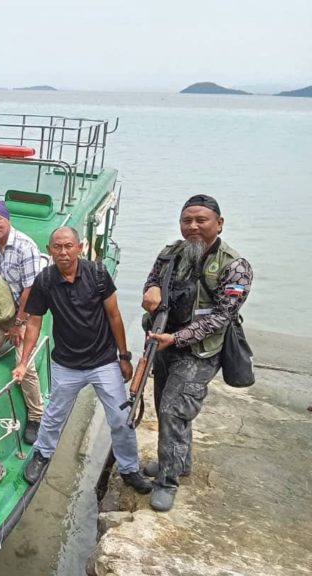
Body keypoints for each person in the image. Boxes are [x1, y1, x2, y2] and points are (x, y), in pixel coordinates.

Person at [14, 227, 152, 494]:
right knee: (53, 416)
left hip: (103, 361)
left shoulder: (98, 274)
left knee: (121, 418)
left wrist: (123, 357)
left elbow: (114, 316)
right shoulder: (44, 281)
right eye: (57, 247)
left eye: (68, 246)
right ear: (49, 249)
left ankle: (129, 468)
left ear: (79, 247)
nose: (63, 252)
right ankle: (42, 454)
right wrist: (23, 362)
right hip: (66, 363)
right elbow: (33, 324)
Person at [142, 194, 253, 512]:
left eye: (200, 220)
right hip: (163, 342)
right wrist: (149, 292)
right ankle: (179, 461)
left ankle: (167, 481)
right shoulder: (169, 254)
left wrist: (176, 338)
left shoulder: (236, 267)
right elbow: (152, 281)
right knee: (170, 405)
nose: (192, 226)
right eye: (186, 220)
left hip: (201, 351)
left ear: (219, 223)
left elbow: (223, 316)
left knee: (172, 411)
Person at [0, 201, 43, 444]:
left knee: (26, 366)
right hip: (1, 312)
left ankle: (36, 416)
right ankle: (9, 337)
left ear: (7, 219)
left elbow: (30, 290)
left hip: (26, 312)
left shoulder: (25, 247)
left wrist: (19, 323)